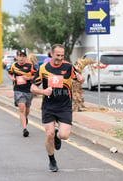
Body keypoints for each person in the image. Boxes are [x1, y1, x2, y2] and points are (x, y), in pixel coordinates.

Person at [30, 44, 84, 172]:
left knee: (64, 135)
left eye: (62, 55)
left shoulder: (68, 67)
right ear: (52, 54)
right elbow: (33, 88)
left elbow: (78, 77)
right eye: (57, 55)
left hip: (65, 106)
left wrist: (80, 78)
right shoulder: (43, 69)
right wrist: (43, 92)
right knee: (49, 134)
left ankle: (57, 137)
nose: (60, 58)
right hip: (49, 106)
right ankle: (52, 160)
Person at [8, 49, 36, 137]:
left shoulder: (30, 66)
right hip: (18, 90)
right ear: (17, 57)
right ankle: (25, 129)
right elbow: (9, 73)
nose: (21, 58)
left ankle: (25, 117)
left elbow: (36, 75)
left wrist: (29, 78)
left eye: (23, 56)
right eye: (20, 56)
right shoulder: (14, 65)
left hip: (28, 90)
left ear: (26, 57)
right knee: (22, 108)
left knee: (27, 110)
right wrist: (11, 78)